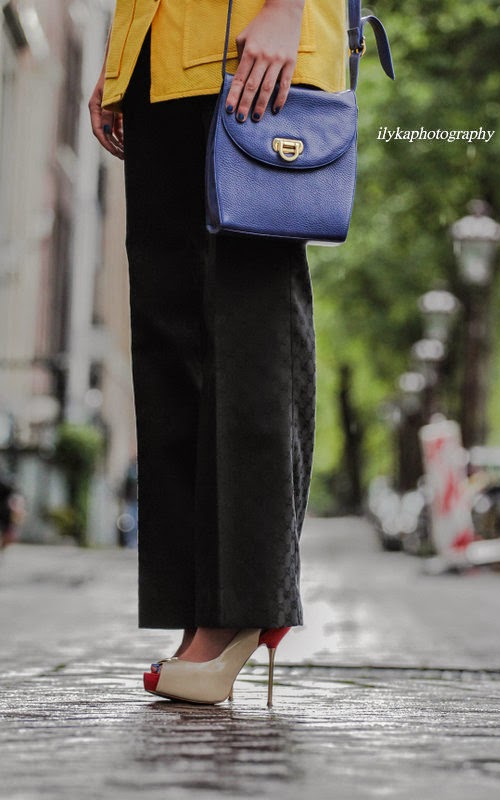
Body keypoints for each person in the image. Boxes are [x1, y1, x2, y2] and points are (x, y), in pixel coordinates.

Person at [89, 0, 346, 705]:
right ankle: (199, 604)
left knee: (248, 325)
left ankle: (242, 603)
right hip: (158, 56)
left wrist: (287, 9)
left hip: (253, 45)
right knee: (171, 336)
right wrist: (120, 58)